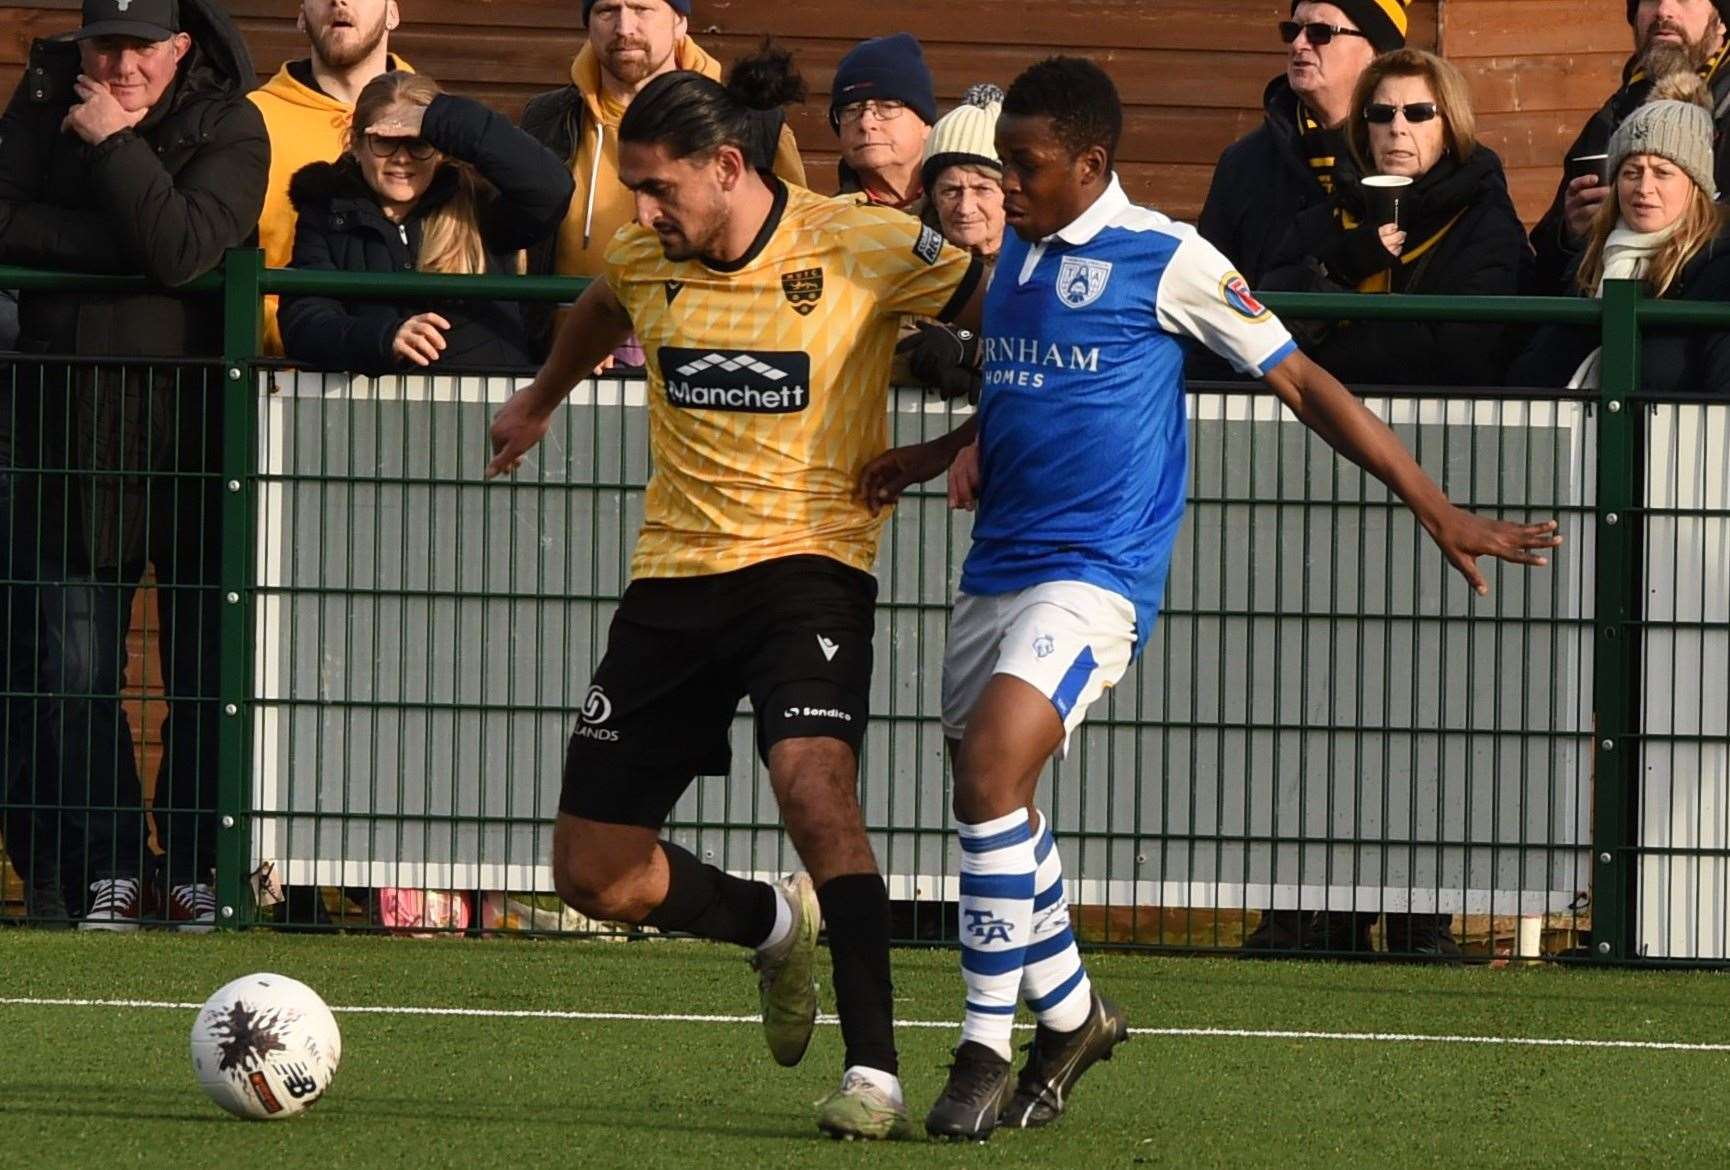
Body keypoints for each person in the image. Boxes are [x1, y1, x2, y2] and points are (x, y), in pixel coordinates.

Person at [858, 56, 1561, 1141]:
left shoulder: (1167, 256)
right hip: (997, 562)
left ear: (1091, 163)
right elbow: (1024, 386)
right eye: (999, 167)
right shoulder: (1012, 261)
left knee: (993, 770)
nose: (1006, 186)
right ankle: (1075, 1017)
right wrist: (934, 453)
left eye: (1027, 168)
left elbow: (1302, 381)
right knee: (990, 804)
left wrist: (1432, 503)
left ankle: (977, 1052)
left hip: (1097, 573)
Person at [485, 69, 985, 1138]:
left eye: (659, 189)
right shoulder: (639, 254)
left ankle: (876, 1074)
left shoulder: (860, 241)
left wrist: (964, 438)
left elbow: (1009, 316)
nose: (641, 212)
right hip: (671, 580)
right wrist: (540, 397)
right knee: (593, 876)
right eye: (631, 190)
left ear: (728, 167)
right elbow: (599, 304)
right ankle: (767, 924)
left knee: (813, 788)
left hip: (812, 562)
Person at [0, 0, 269, 929]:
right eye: (104, 44)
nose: (118, 65)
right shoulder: (41, 100)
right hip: (67, 437)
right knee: (75, 673)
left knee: (204, 670)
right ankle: (112, 865)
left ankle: (195, 865)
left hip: (199, 442)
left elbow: (188, 248)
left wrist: (114, 149)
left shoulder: (232, 119)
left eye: (140, 47)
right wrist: (132, 244)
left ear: (179, 48)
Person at [519, 0, 806, 364]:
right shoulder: (547, 119)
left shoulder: (751, 122)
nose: (624, 27)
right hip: (581, 368)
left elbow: (798, 245)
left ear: (680, 22)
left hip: (718, 360)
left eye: (641, 8)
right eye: (607, 10)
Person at [1260, 49, 1531, 389]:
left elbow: (1460, 353)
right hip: (1315, 423)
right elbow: (1261, 334)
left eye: (1419, 113)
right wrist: (1339, 269)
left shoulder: (1484, 223)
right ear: (1364, 128)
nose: (1397, 128)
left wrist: (1320, 366)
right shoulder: (1325, 217)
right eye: (1381, 113)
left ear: (1450, 127)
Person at [278, 72, 574, 374]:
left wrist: (444, 121)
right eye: (385, 142)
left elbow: (551, 189)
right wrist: (383, 340)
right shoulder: (327, 215)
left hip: (488, 408)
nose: (402, 158)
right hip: (372, 413)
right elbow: (305, 322)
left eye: (419, 143)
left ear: (441, 149)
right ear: (356, 145)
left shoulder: (480, 207)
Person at [1512, 72, 1730, 394]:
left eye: (1663, 173)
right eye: (1631, 172)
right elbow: (1529, 374)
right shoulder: (1592, 262)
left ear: (1695, 185)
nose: (1644, 188)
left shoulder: (1717, 269)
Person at [1199, 1, 1411, 289]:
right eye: (1292, 30)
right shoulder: (1243, 162)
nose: (1299, 43)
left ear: (1376, 53)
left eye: (1321, 32)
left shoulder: (1415, 153)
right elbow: (1209, 285)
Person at [1531, 0, 1730, 295]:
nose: (1664, 10)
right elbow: (1544, 273)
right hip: (1605, 312)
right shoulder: (1614, 114)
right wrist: (1571, 232)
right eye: (1649, 0)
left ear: (1722, 19)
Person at [250, 0, 412, 357]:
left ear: (392, 12)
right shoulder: (251, 122)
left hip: (416, 378)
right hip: (277, 379)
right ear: (301, 14)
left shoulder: (435, 119)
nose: (339, 1)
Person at [830, 33, 937, 212]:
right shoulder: (827, 228)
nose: (866, 123)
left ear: (925, 124)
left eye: (886, 107)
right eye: (851, 110)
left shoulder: (967, 213)